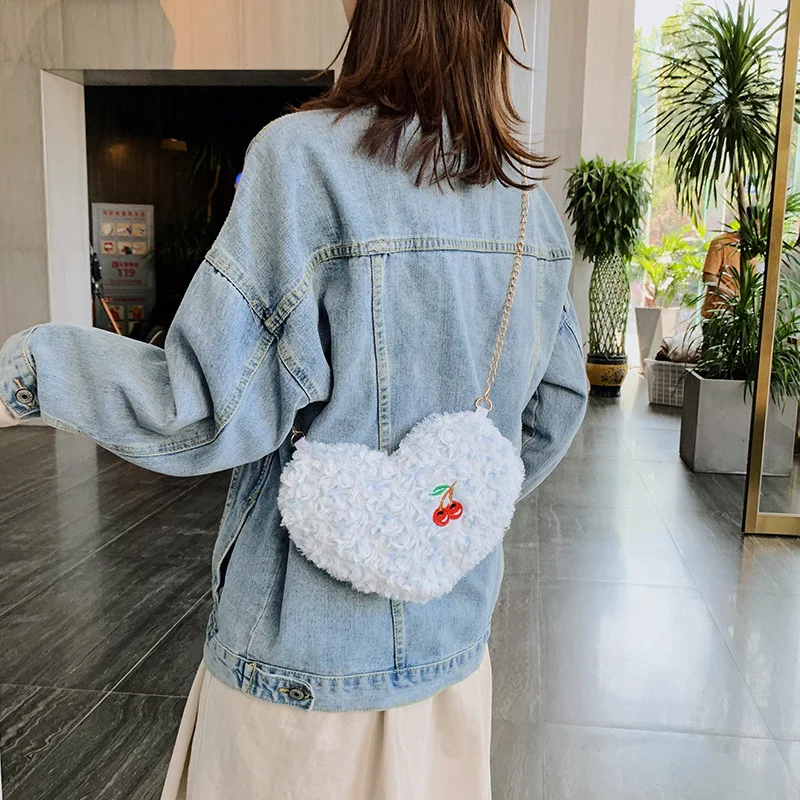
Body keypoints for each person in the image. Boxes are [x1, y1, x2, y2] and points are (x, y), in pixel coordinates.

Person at [0, 0, 587, 797]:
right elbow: (553, 407)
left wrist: (32, 365)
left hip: (299, 679)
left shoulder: (302, 161)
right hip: (452, 660)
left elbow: (200, 407)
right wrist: (439, 522)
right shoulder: (525, 204)